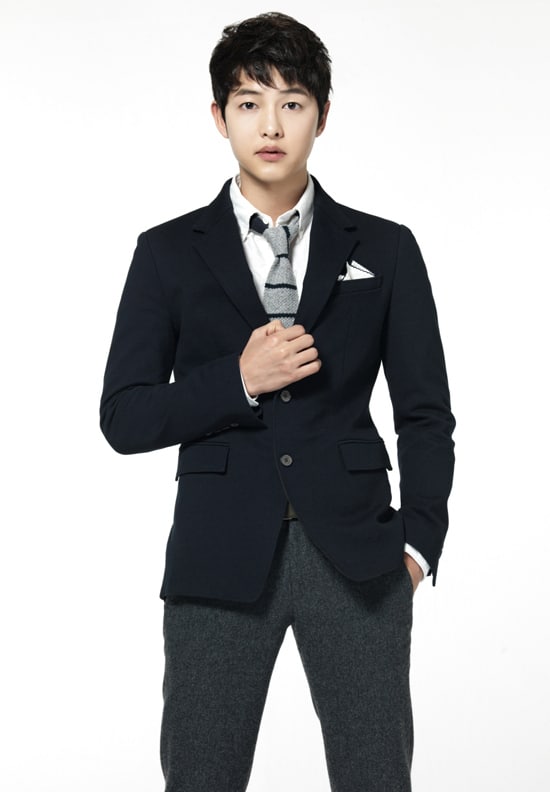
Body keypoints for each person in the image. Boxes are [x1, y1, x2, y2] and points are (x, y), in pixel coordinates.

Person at [99, 11, 455, 792]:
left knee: (376, 778)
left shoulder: (385, 248)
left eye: (292, 102)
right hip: (218, 554)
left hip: (360, 557)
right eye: (249, 102)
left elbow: (426, 412)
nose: (270, 125)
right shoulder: (166, 252)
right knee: (201, 777)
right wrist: (238, 380)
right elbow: (124, 415)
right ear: (218, 116)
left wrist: (420, 545)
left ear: (321, 117)